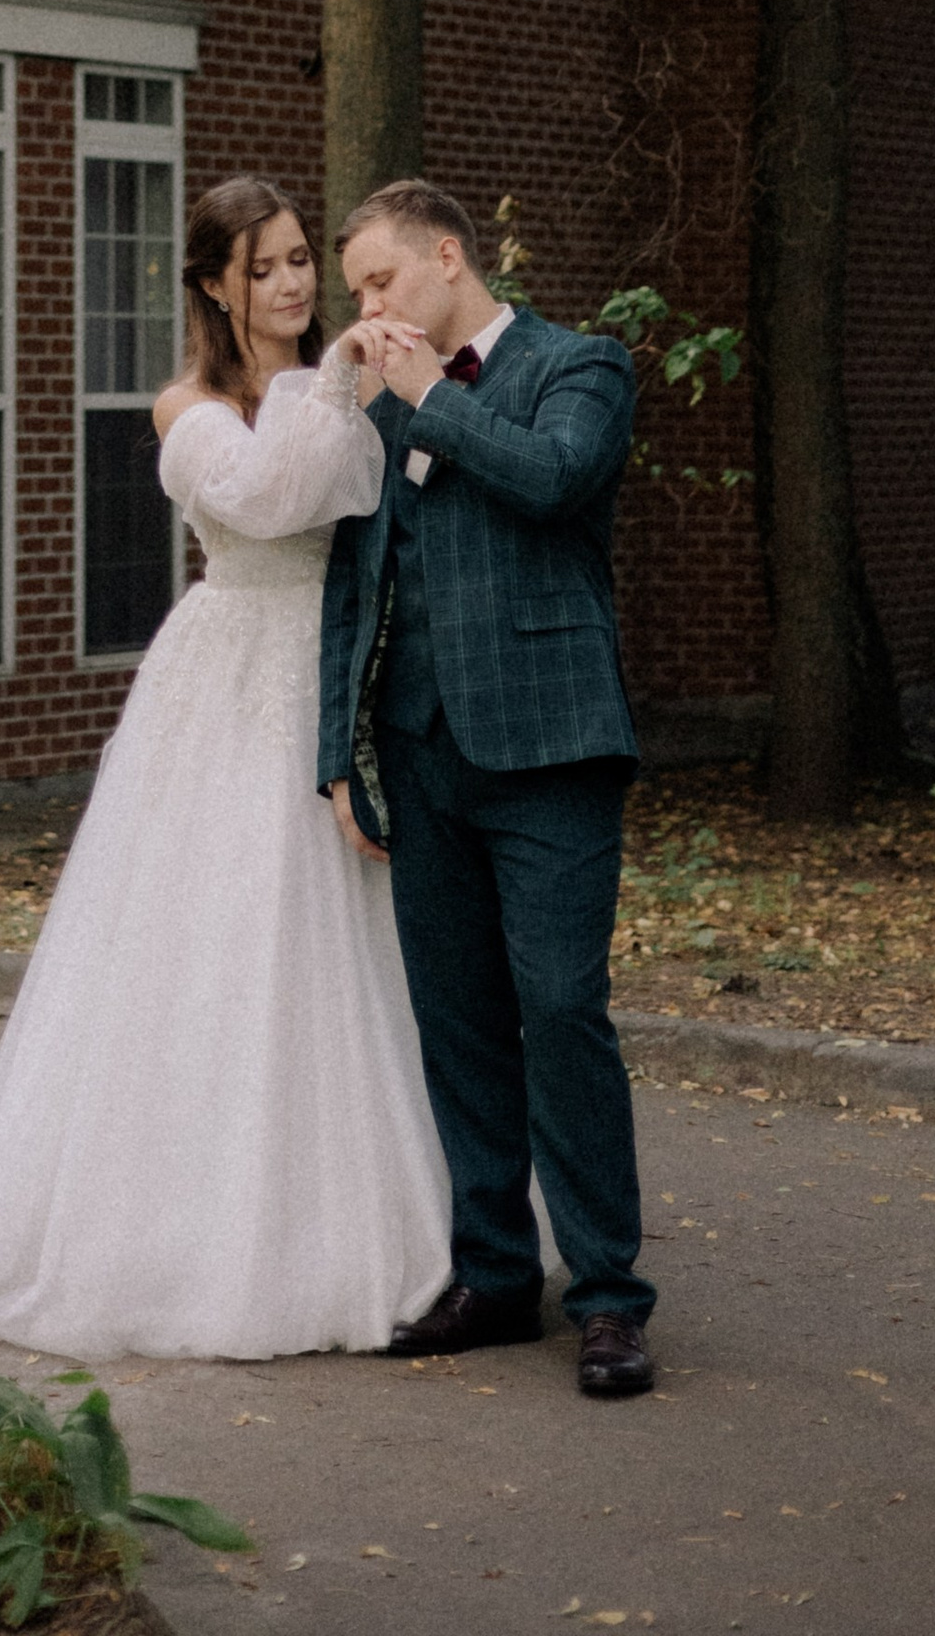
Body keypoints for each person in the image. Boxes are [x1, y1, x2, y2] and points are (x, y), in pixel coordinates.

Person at [0, 177, 450, 1362]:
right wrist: (339, 378)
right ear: (213, 285)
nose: (294, 285)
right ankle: (194, 1232)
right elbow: (263, 495)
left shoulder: (341, 378)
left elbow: (373, 511)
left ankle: (396, 1216)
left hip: (338, 660)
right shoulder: (184, 407)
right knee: (231, 934)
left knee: (357, 942)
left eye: (304, 261)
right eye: (266, 268)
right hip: (234, 674)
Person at [316, 178, 657, 1400]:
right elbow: (353, 585)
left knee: (560, 1011)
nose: (364, 309)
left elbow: (553, 479)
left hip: (552, 749)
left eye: (378, 282)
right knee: (455, 1026)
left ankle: (609, 1298)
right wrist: (338, 760)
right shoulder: (378, 398)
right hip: (418, 750)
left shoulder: (581, 366)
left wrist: (418, 401)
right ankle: (498, 1276)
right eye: (355, 291)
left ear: (446, 259)